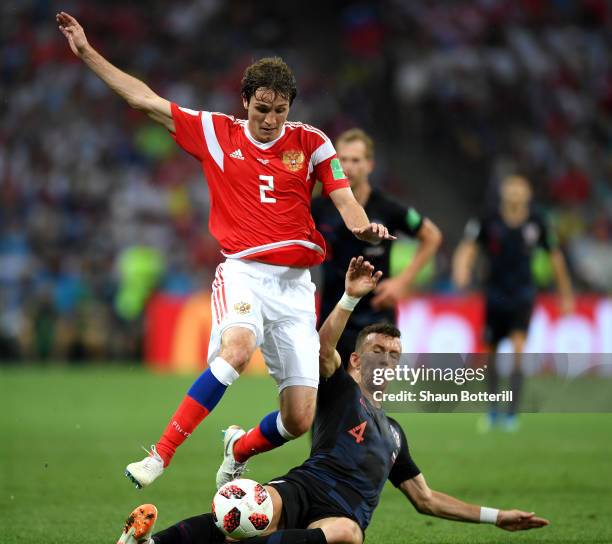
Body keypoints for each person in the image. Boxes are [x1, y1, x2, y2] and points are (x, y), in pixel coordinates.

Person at [56, 12, 393, 489]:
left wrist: (364, 229)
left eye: (279, 110)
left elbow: (345, 200)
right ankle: (160, 454)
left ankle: (238, 447)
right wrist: (88, 53)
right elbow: (143, 99)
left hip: (295, 286)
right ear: (245, 102)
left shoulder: (311, 141)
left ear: (290, 107)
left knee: (298, 419)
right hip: (244, 273)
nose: (270, 120)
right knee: (235, 352)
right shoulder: (217, 132)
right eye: (261, 109)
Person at [109, 257, 549, 544]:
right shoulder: (341, 389)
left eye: (395, 354)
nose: (387, 360)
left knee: (349, 535)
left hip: (343, 517)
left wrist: (497, 518)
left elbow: (426, 499)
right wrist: (349, 299)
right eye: (378, 350)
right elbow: (321, 350)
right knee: (249, 506)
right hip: (306, 489)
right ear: (357, 360)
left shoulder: (394, 434)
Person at [453, 175, 574, 431]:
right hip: (494, 294)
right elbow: (468, 247)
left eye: (520, 188)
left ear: (528, 194)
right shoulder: (488, 219)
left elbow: (555, 256)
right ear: (504, 192)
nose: (515, 193)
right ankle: (493, 410)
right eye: (511, 188)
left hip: (523, 294)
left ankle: (511, 414)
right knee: (491, 353)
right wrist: (461, 269)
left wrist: (565, 293)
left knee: (519, 350)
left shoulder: (537, 221)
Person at [312, 128, 442, 365]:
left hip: (377, 313)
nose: (348, 167)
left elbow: (432, 236)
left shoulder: (387, 208)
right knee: (327, 398)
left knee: (370, 392)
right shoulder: (320, 207)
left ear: (369, 165)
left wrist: (402, 283)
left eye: (356, 160)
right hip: (334, 315)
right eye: (342, 160)